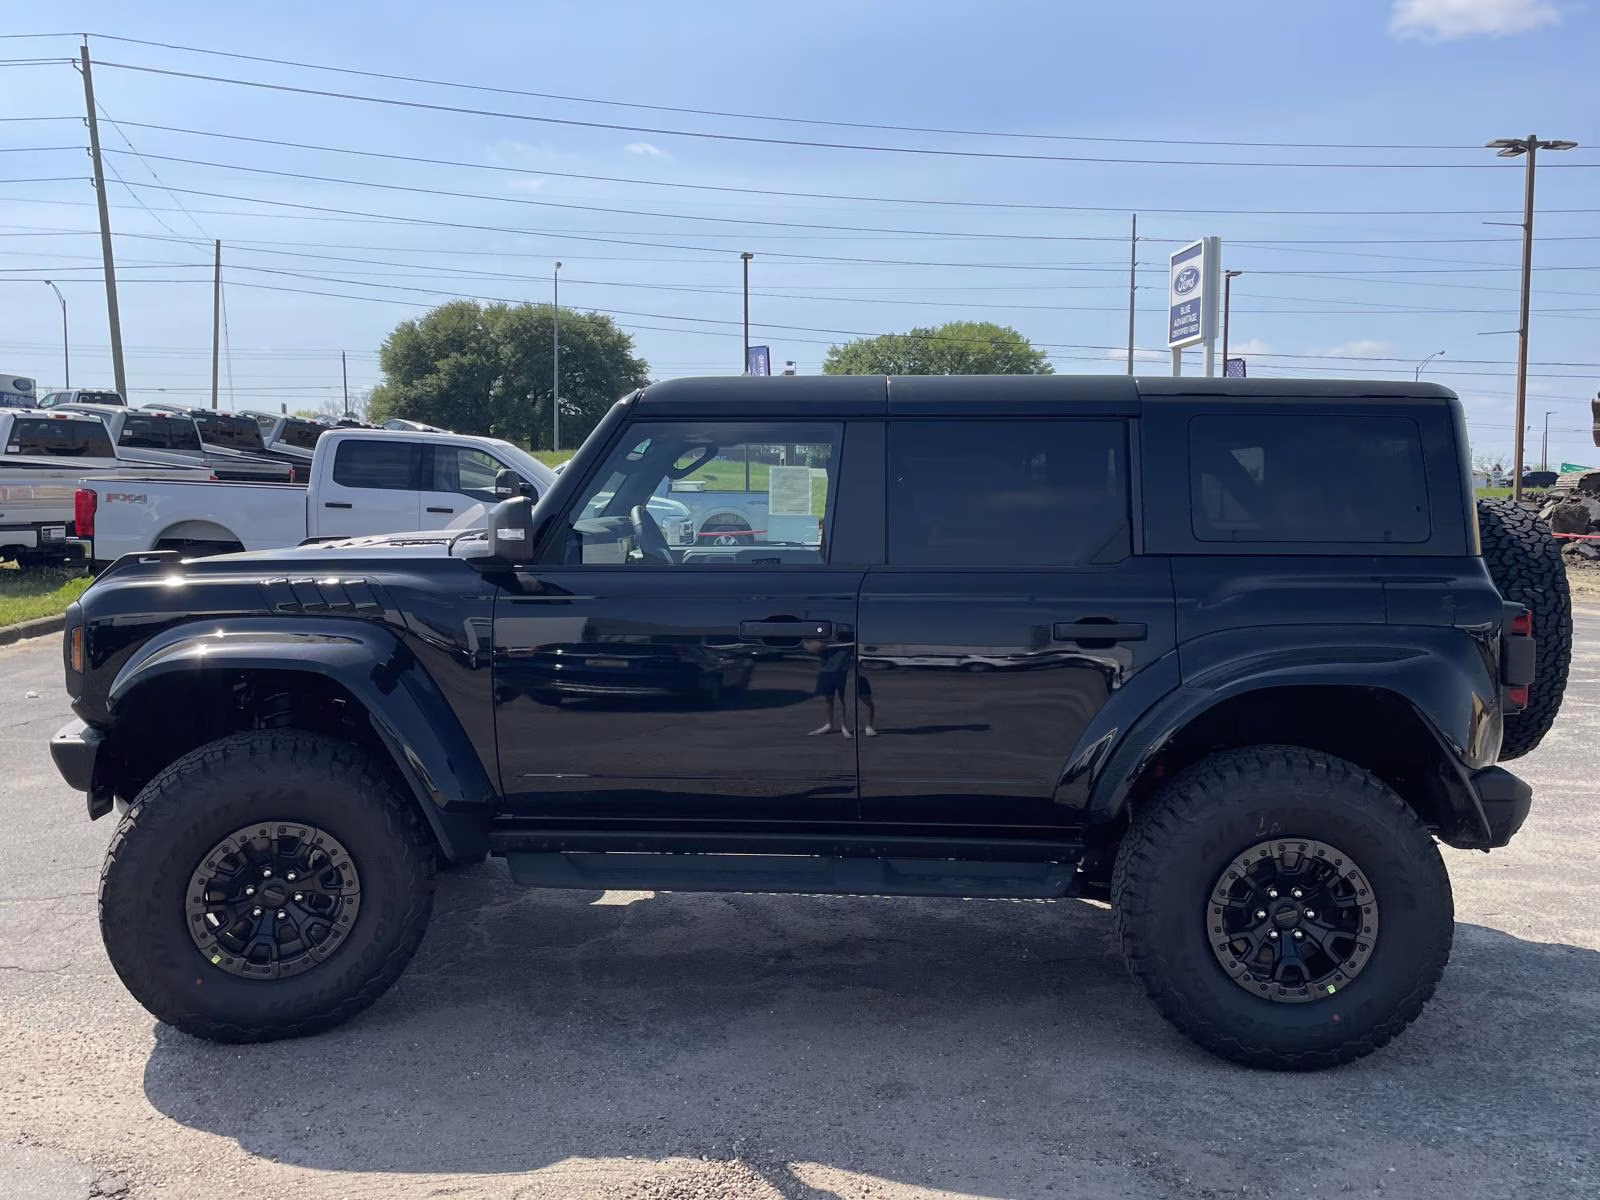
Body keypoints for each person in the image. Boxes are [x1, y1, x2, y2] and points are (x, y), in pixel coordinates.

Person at [803, 638, 876, 738]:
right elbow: (808, 644)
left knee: (861, 699)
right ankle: (829, 725)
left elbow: (870, 647)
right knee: (829, 699)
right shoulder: (824, 635)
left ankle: (867, 726)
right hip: (828, 672)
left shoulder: (851, 638)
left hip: (850, 673)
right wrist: (818, 645)